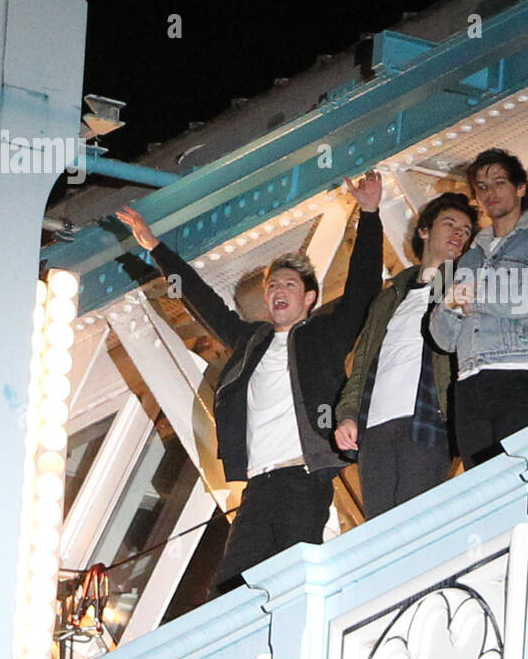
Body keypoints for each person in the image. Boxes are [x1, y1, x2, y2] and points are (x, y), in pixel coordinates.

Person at [114, 172, 383, 590]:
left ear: (309, 298)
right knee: (231, 585)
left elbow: (363, 288)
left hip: (304, 479)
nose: (278, 290)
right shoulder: (250, 343)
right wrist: (155, 248)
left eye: (289, 285)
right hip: (258, 485)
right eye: (273, 285)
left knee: (292, 579)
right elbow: (201, 299)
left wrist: (369, 213)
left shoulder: (323, 336)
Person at [333, 192, 479, 518]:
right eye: (450, 224)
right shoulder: (390, 297)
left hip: (428, 420)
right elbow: (362, 366)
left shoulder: (466, 284)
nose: (459, 233)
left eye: (466, 231)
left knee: (416, 523)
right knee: (380, 530)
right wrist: (347, 414)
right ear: (424, 230)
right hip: (375, 429)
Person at [429, 149, 528, 468]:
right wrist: (450, 303)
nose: (489, 193)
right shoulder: (469, 255)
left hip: (517, 371)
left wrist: (474, 299)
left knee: (518, 473)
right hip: (467, 381)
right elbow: (442, 338)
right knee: (483, 484)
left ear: (520, 188)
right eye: (482, 187)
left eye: (499, 183)